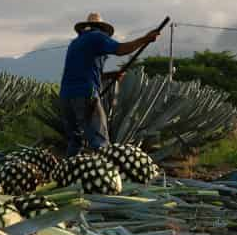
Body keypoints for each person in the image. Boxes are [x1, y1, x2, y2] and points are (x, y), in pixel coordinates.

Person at [59, 13, 161, 157]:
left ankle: (67, 175)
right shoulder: (97, 37)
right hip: (85, 94)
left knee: (75, 141)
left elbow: (84, 72)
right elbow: (120, 50)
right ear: (102, 28)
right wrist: (146, 39)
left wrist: (111, 75)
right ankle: (106, 176)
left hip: (65, 96)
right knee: (100, 141)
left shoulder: (75, 43)